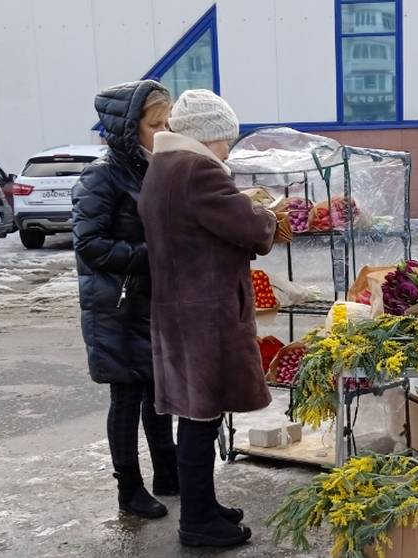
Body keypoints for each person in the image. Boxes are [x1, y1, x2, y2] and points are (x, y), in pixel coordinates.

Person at [140, 90, 282, 548]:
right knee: (201, 416)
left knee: (196, 413)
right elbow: (251, 228)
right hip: (205, 313)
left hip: (179, 309)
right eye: (226, 141)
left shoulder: (163, 168)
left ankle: (204, 504)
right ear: (207, 137)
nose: (228, 151)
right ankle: (198, 521)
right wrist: (267, 215)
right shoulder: (198, 169)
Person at [72, 80, 177, 520]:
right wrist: (156, 256)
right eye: (156, 124)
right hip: (115, 306)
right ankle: (128, 490)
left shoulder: (150, 169)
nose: (165, 130)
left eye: (168, 121)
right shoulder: (101, 177)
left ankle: (167, 473)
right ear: (127, 129)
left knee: (159, 393)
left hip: (149, 303)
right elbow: (89, 244)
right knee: (127, 397)